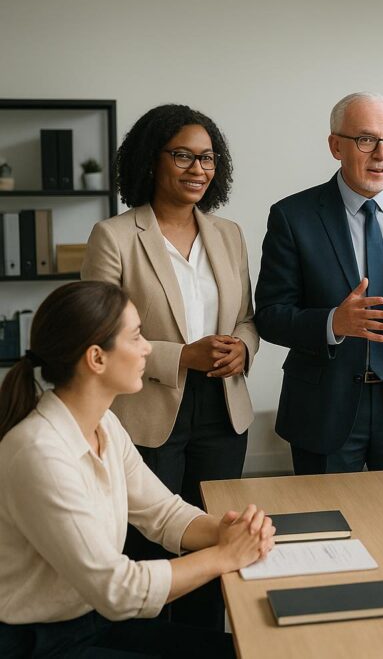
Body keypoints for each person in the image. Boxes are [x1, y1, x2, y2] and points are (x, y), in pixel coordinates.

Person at [0, 281, 274, 658]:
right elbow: (118, 589)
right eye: (137, 337)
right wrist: (225, 555)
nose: (148, 348)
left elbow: (163, 514)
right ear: (96, 358)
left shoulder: (105, 425)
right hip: (35, 642)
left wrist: (228, 530)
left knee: (241, 651)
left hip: (92, 619)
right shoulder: (38, 453)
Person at [81, 103, 259, 629]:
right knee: (151, 540)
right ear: (150, 160)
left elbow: (247, 318)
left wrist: (242, 349)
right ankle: (152, 641)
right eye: (182, 155)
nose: (197, 169)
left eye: (207, 158)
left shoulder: (228, 234)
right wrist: (182, 356)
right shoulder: (113, 236)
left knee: (215, 533)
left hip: (225, 410)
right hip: (146, 409)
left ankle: (204, 639)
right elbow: (97, 335)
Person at [255, 92, 383, 474]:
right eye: (366, 140)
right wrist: (332, 323)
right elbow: (270, 315)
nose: (381, 154)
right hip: (325, 408)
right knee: (328, 527)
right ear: (336, 146)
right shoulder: (293, 216)